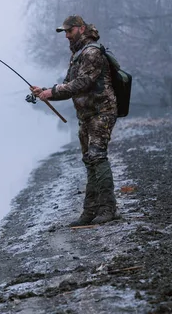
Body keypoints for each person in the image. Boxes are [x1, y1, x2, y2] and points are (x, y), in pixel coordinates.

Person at [30, 15, 119, 226]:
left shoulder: (92, 53)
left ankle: (108, 209)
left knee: (97, 157)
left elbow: (82, 83)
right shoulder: (78, 55)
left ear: (80, 29)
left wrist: (52, 92)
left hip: (102, 111)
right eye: (65, 32)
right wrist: (45, 91)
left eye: (69, 31)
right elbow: (67, 87)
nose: (67, 36)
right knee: (89, 161)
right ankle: (90, 212)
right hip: (86, 115)